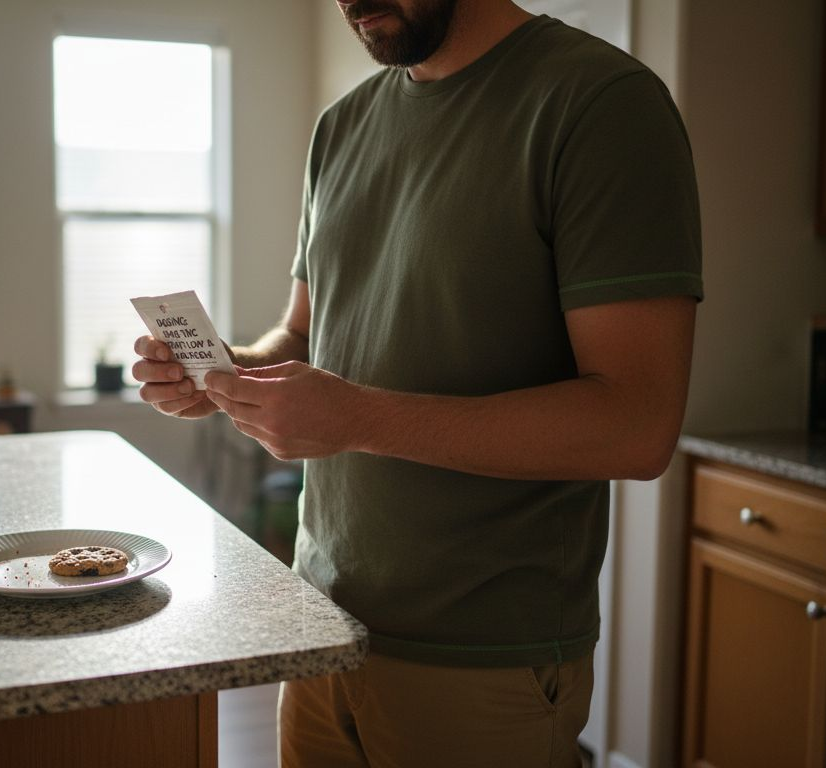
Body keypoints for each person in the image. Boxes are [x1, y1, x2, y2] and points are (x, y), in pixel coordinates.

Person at [132, 0, 702, 764]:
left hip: (484, 657)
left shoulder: (601, 104)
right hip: (320, 624)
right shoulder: (341, 127)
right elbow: (303, 332)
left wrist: (358, 419)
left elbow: (637, 425)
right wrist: (228, 374)